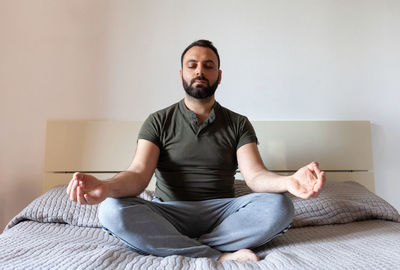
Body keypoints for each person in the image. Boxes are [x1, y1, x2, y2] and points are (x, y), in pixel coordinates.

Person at [66, 40, 325, 262]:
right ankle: (216, 254)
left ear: (219, 76)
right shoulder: (158, 121)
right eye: (192, 65)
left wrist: (288, 181)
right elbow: (137, 174)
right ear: (181, 74)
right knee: (110, 209)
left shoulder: (238, 123)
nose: (200, 71)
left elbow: (255, 176)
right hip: (168, 212)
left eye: (208, 66)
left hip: (222, 214)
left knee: (279, 205)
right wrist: (106, 187)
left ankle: (179, 245)